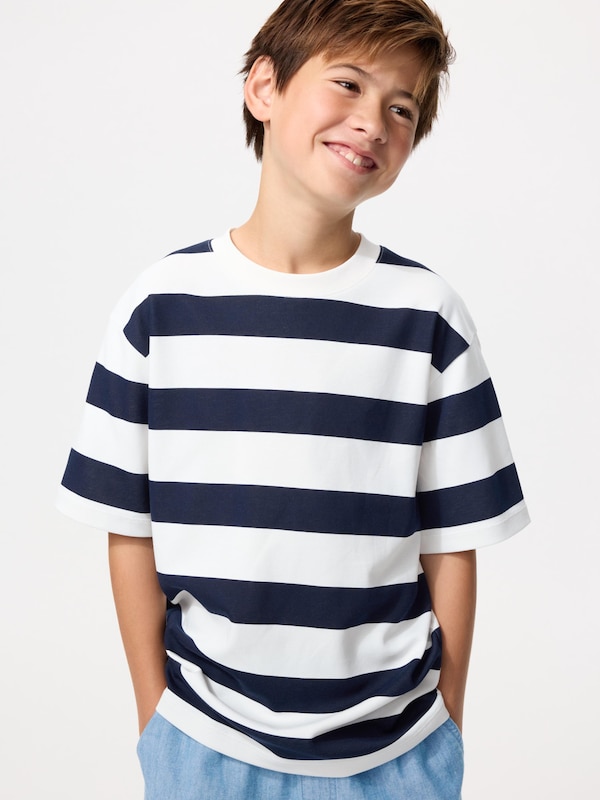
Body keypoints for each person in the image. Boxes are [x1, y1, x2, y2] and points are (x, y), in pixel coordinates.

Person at [57, 1, 530, 798]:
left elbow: (453, 542)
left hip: (398, 753)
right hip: (202, 744)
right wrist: (155, 719)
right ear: (264, 88)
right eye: (347, 84)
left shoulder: (427, 317)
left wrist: (447, 716)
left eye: (402, 107)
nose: (372, 121)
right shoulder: (160, 307)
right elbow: (128, 529)